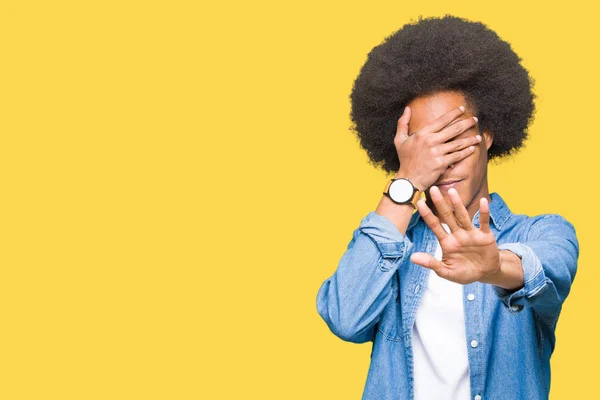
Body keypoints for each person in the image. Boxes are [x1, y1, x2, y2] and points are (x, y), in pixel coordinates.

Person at [315, 15, 580, 400]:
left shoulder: (544, 233)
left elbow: (544, 271)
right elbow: (345, 319)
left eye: (454, 141)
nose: (444, 163)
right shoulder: (391, 246)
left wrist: (494, 267)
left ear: (486, 135)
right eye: (428, 149)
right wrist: (405, 184)